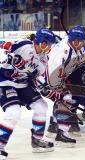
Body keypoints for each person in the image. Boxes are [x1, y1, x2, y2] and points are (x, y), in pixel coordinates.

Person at [0, 28, 56, 159]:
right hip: (5, 83)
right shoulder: (24, 45)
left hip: (23, 85)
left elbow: (36, 78)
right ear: (40, 41)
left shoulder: (43, 59)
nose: (48, 47)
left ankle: (37, 140)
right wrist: (13, 57)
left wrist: (46, 88)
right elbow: (4, 47)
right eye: (46, 44)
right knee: (13, 113)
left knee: (42, 107)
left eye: (49, 45)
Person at [45, 25, 85, 147]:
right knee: (67, 98)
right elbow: (52, 71)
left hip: (62, 76)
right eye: (83, 41)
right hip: (51, 78)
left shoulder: (74, 47)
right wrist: (56, 89)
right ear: (76, 41)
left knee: (70, 98)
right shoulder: (63, 52)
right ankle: (60, 131)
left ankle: (58, 127)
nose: (84, 43)